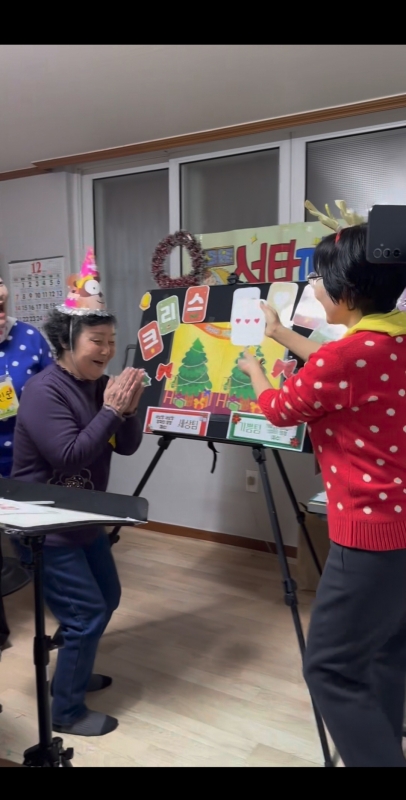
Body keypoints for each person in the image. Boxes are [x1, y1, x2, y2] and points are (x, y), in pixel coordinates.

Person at [238, 223, 406, 767]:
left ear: (347, 291)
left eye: (319, 279)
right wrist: (279, 333)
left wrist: (255, 371)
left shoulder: (346, 358)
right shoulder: (389, 341)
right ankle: (383, 745)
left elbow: (280, 409)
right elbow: (341, 364)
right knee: (387, 652)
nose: (313, 287)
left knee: (329, 668)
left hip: (370, 534)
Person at [11, 249, 144, 737]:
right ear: (68, 340)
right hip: (44, 525)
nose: (106, 350)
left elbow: (125, 447)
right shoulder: (44, 390)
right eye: (96, 341)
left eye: (111, 341)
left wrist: (129, 410)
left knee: (107, 597)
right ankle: (65, 710)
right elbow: (69, 456)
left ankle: (73, 671)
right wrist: (111, 411)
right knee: (85, 612)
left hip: (83, 514)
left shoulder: (100, 385)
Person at [0, 274, 53, 652]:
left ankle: (53, 602)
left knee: (32, 544)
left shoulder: (29, 337)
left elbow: (54, 391)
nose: (1, 312)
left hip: (26, 464)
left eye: (2, 303)